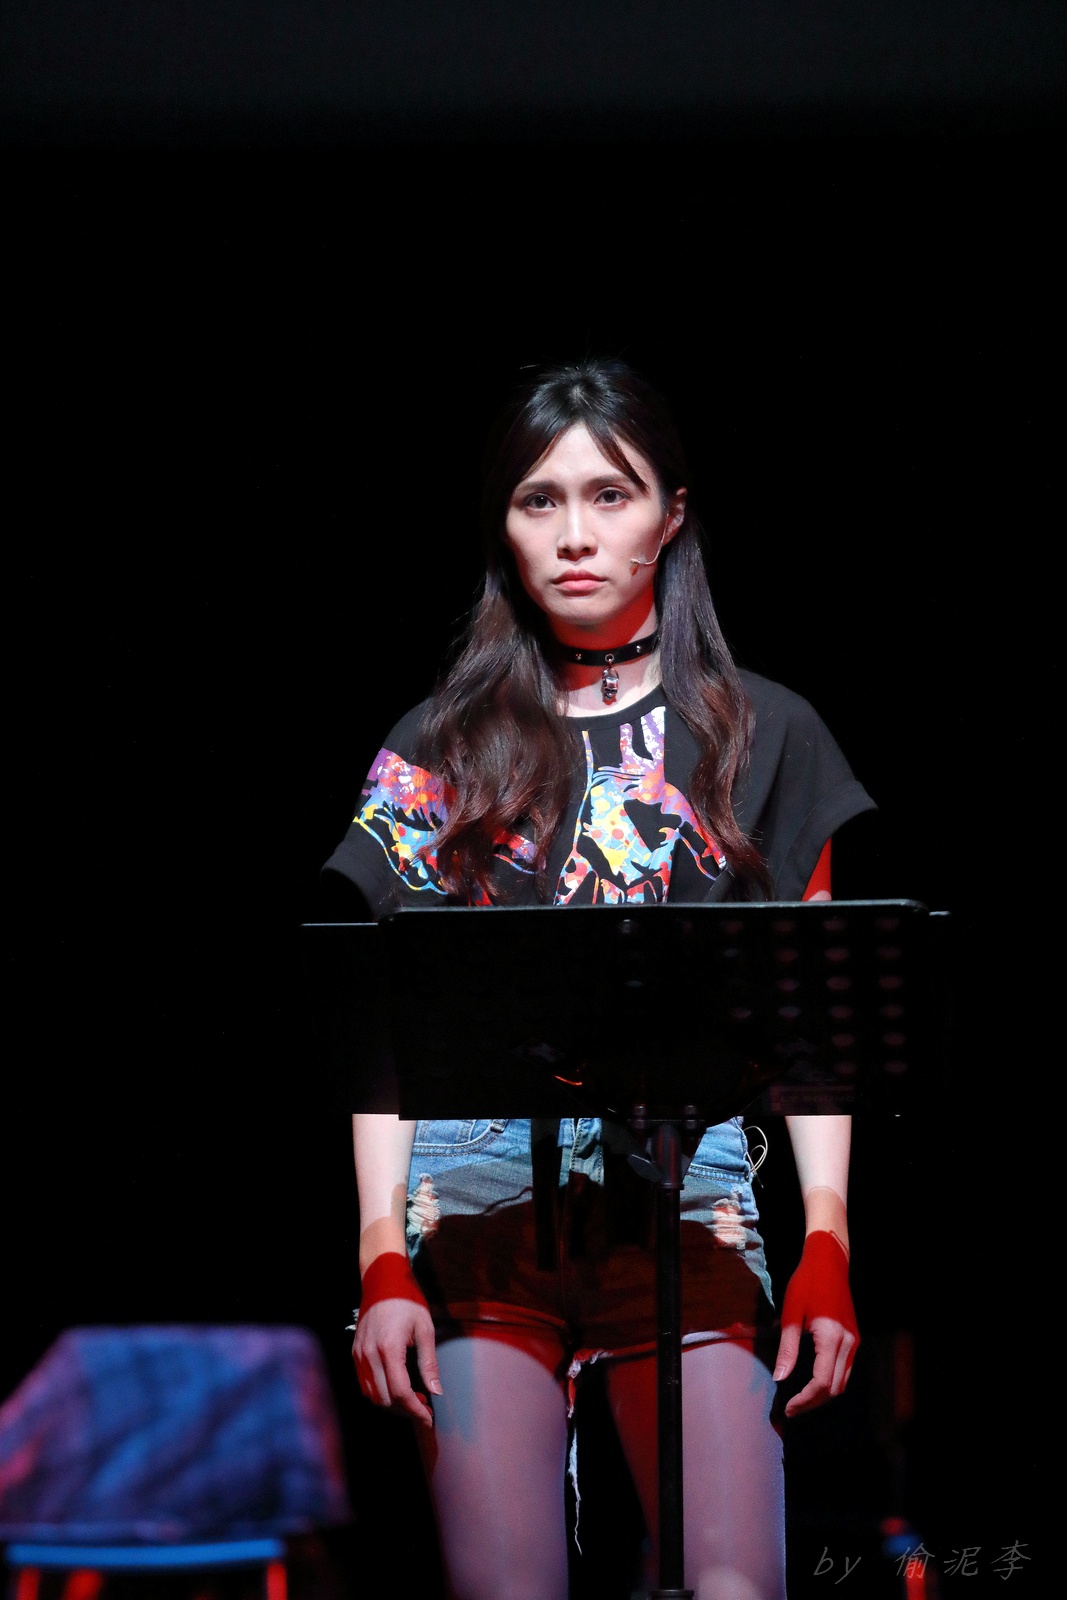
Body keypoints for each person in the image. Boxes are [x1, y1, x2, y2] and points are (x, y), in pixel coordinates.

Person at [323, 359, 875, 1600]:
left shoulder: (761, 732)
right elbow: (382, 1035)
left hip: (687, 1186)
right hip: (475, 1197)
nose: (574, 533)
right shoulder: (439, 744)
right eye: (539, 499)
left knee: (732, 1583)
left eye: (608, 494)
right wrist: (379, 1254)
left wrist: (826, 1237)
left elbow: (812, 1024)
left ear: (669, 513)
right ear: (504, 524)